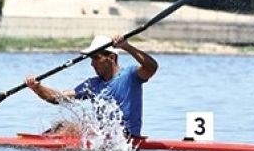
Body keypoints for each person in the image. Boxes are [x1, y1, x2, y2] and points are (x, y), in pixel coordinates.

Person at [24, 35, 158, 139]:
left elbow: (151, 67)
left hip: (125, 139)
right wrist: (37, 87)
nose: (92, 64)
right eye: (91, 59)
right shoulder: (92, 85)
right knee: (62, 126)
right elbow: (58, 98)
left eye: (96, 58)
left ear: (111, 57)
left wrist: (127, 46)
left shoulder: (130, 75)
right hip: (103, 140)